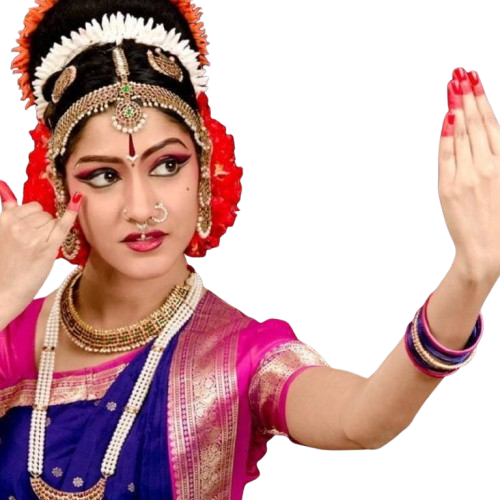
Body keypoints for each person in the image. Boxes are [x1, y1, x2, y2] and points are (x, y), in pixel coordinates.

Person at [0, 0, 494, 498]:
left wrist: (471, 276)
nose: (142, 207)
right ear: (58, 186)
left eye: (167, 165)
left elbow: (361, 420)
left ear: (205, 168)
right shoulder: (10, 334)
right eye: (104, 175)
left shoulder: (238, 358)